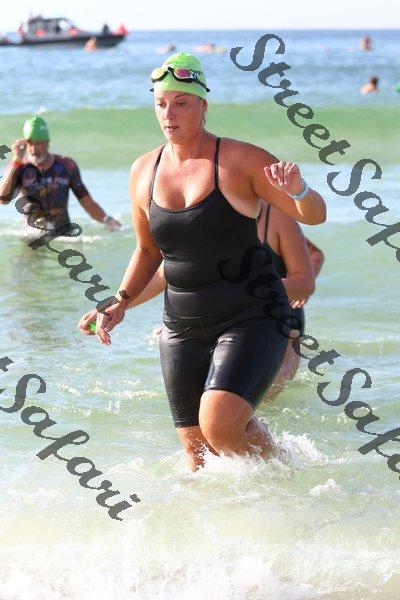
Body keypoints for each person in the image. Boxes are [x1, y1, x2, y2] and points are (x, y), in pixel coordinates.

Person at [78, 52, 326, 472]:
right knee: (196, 455)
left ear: (202, 105)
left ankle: (285, 470)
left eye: (181, 103)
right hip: (182, 325)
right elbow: (147, 251)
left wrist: (299, 190)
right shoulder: (143, 170)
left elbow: (314, 215)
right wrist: (120, 300)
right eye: (161, 103)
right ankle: (237, 508)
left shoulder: (239, 160)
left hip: (252, 316)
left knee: (220, 426)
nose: (169, 113)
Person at [0, 116, 120, 232]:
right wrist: (16, 160)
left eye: (38, 143)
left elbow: (86, 202)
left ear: (47, 142)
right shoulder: (19, 168)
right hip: (32, 234)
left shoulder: (66, 166)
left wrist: (107, 219)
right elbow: (3, 199)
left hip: (63, 232)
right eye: (30, 143)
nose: (33, 149)